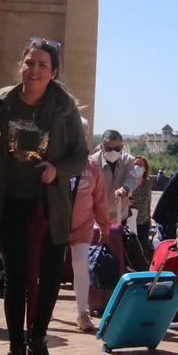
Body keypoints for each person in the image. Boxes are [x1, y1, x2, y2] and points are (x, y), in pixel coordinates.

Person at [0, 38, 88, 355]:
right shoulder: (2, 103)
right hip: (12, 204)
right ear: (22, 66)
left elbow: (79, 155)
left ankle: (38, 341)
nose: (34, 70)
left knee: (48, 281)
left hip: (50, 207)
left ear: (54, 72)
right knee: (16, 278)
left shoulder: (65, 109)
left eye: (42, 65)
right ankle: (16, 350)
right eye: (29, 63)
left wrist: (56, 170)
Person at [69, 118, 109, 331]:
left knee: (80, 264)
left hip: (82, 225)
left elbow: (99, 197)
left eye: (82, 132)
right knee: (47, 268)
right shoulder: (55, 160)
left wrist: (104, 225)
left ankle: (82, 313)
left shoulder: (92, 165)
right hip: (55, 225)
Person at [90, 130, 139, 224]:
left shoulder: (129, 160)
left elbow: (133, 178)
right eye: (108, 148)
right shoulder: (93, 162)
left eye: (117, 148)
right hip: (97, 218)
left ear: (122, 146)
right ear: (101, 147)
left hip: (121, 216)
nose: (113, 152)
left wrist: (125, 189)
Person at [129, 156, 154, 256]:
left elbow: (149, 202)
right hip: (129, 221)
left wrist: (149, 219)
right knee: (131, 247)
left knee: (144, 247)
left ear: (145, 168)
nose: (136, 167)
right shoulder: (128, 181)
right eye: (135, 164)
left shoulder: (148, 182)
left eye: (139, 165)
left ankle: (143, 267)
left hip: (143, 221)